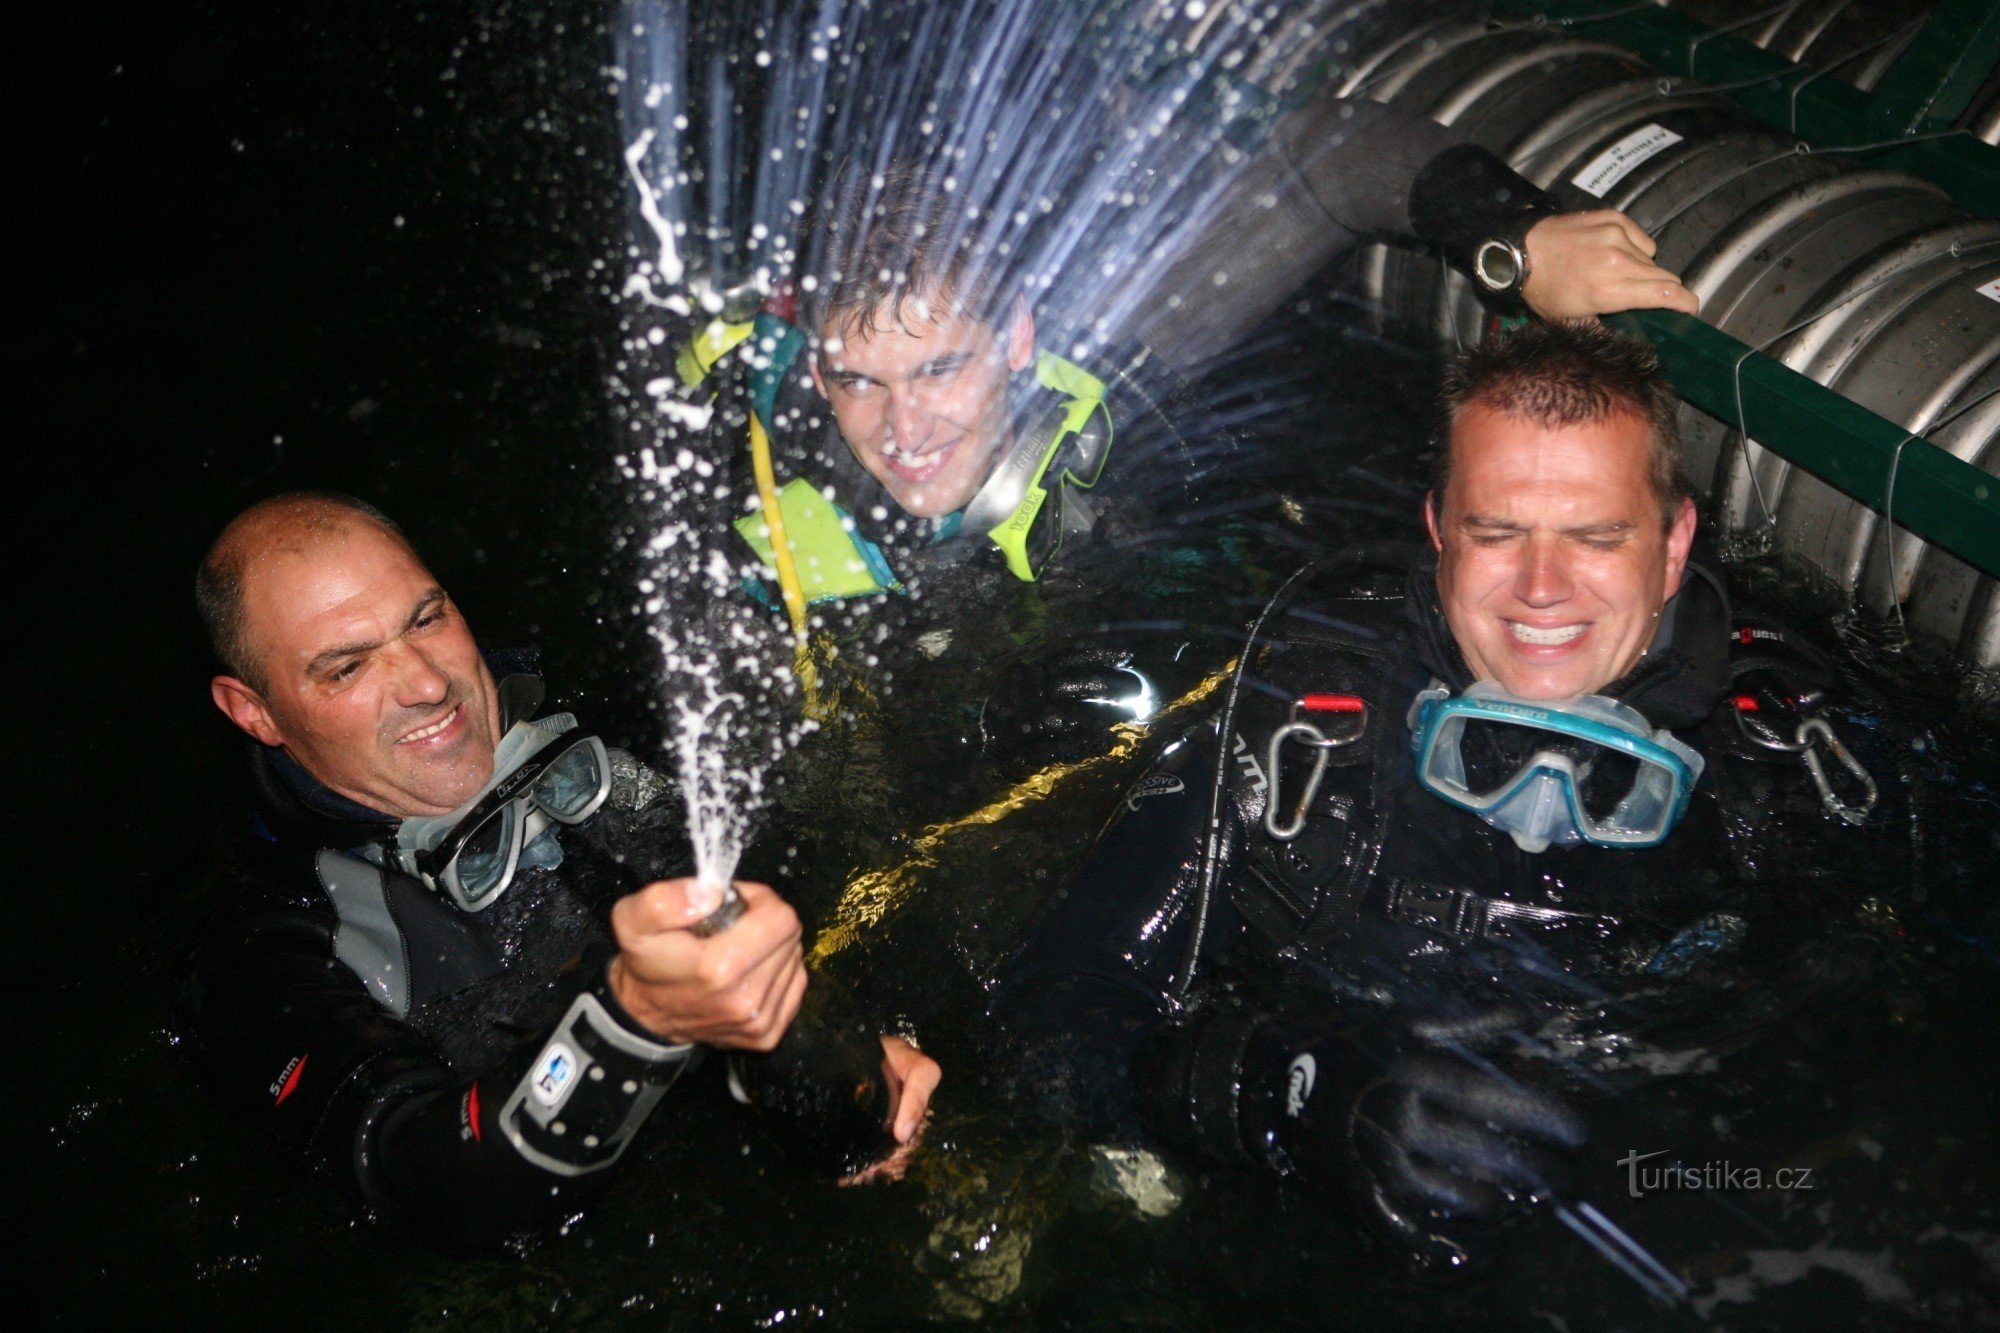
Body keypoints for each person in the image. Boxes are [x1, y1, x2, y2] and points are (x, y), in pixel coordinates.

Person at [987, 321, 1894, 1269]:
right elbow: (1043, 1023)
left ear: (1673, 546)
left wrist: (1631, 1168)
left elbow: (1871, 1106)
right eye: (1497, 531)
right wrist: (1289, 1095)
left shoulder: (1796, 762)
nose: (1542, 588)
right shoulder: (1299, 725)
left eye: (1594, 536)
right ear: (1438, 532)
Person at [177, 493, 940, 1253]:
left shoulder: (613, 714)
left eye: (426, 618)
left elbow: (814, 860)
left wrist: (839, 1041)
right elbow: (428, 1180)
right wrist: (635, 1016)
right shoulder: (270, 954)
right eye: (347, 667)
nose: (428, 684)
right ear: (254, 711)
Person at [696, 92, 1698, 605]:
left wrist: (1509, 239)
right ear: (815, 371)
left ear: (1015, 340)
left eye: (940, 367)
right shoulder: (725, 466)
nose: (905, 428)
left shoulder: (1092, 387)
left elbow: (1323, 157)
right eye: (861, 381)